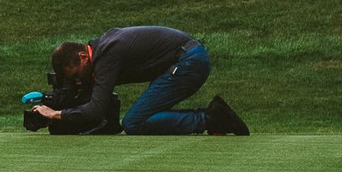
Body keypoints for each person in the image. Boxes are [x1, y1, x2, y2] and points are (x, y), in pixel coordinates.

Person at [22, 26, 250, 136]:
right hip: (185, 59)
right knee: (139, 118)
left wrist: (56, 114)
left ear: (83, 57)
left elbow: (96, 111)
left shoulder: (107, 53)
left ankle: (210, 118)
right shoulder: (102, 50)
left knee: (134, 123)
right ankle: (211, 117)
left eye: (76, 75)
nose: (78, 80)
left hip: (189, 60)